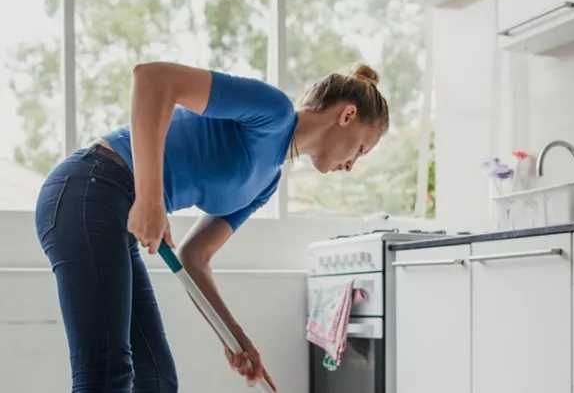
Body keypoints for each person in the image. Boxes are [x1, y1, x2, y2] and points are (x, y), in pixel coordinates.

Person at [33, 61, 389, 392]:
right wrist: (151, 198)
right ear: (347, 114)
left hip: (116, 210)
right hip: (89, 187)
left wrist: (235, 338)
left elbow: (195, 256)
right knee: (108, 370)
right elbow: (153, 79)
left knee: (155, 378)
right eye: (360, 148)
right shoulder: (273, 111)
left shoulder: (268, 182)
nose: (350, 165)